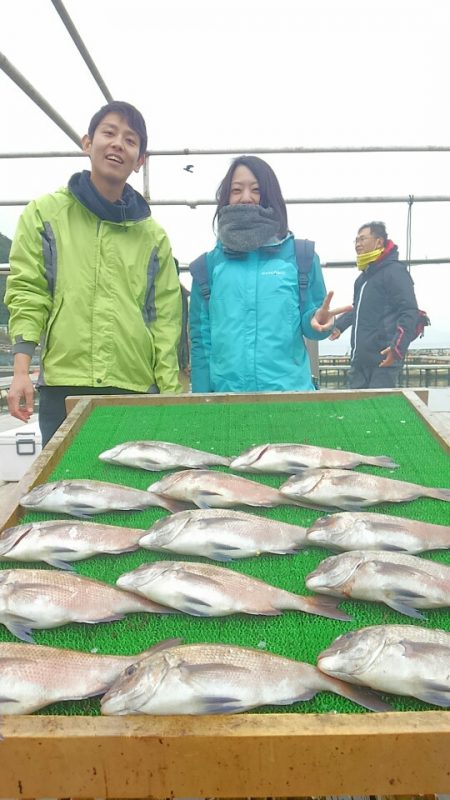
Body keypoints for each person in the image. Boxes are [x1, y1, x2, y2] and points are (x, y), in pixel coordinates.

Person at [5, 101, 182, 445]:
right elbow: (28, 292)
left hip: (133, 385)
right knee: (65, 488)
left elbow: (165, 321)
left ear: (140, 160)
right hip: (63, 385)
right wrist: (21, 371)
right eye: (109, 133)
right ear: (88, 143)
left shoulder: (154, 236)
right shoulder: (44, 214)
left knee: (134, 491)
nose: (118, 144)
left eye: (131, 140)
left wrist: (169, 393)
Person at [188, 155, 350, 393]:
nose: (246, 197)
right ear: (225, 198)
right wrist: (202, 403)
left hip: (290, 400)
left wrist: (321, 322)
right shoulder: (207, 267)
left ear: (270, 195)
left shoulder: (302, 256)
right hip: (227, 402)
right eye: (236, 190)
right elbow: (201, 344)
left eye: (256, 189)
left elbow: (311, 325)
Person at [329, 221, 419, 389]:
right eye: (356, 240)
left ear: (379, 242)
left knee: (379, 412)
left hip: (384, 361)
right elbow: (358, 309)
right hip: (359, 361)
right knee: (357, 412)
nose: (357, 244)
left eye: (362, 239)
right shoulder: (362, 279)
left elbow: (409, 312)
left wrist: (396, 349)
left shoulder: (395, 272)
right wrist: (338, 326)